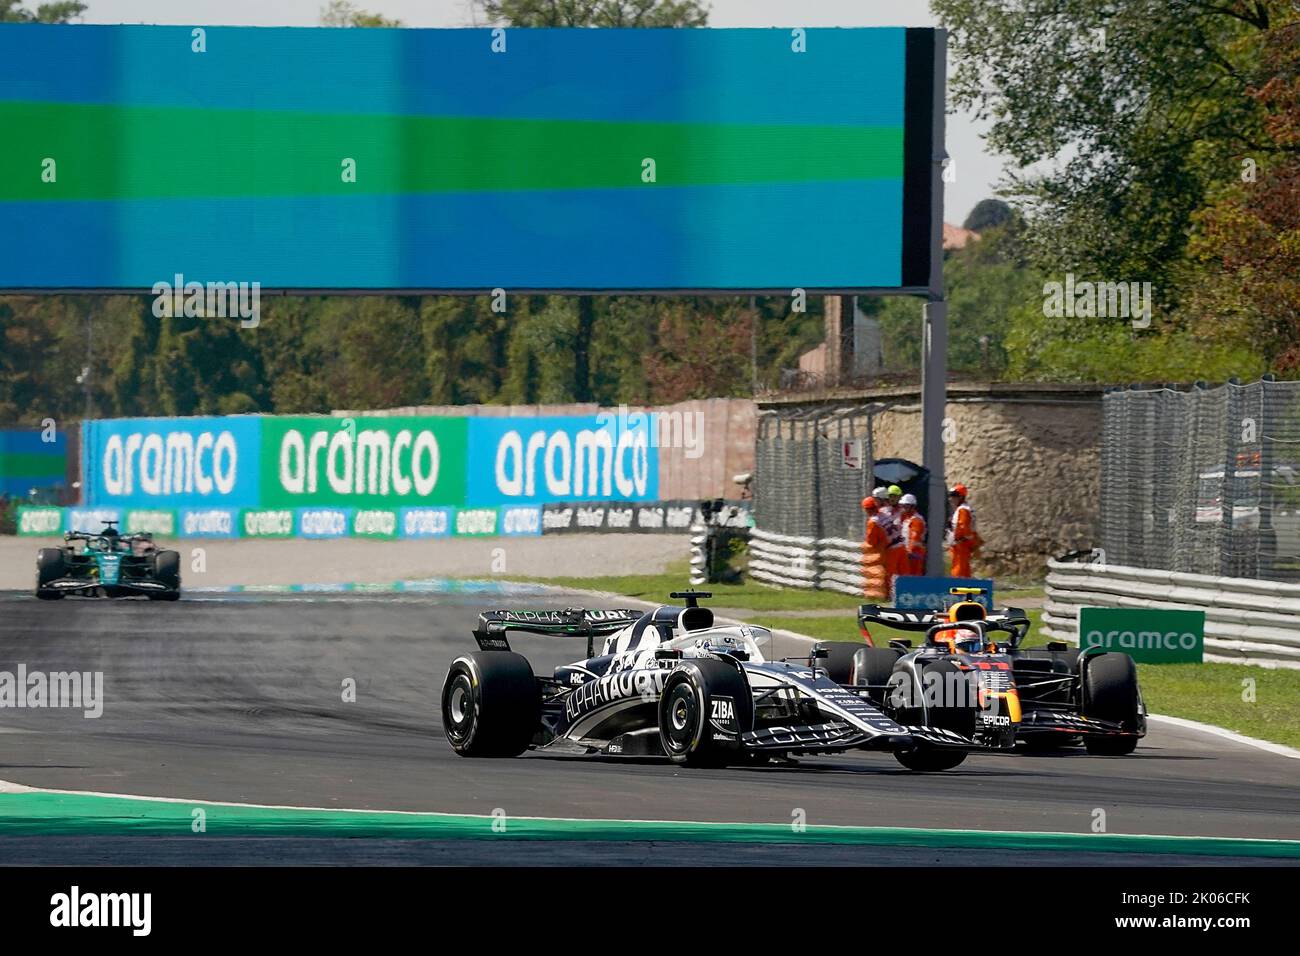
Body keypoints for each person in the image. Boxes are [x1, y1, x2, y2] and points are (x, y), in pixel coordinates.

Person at [946, 483, 982, 578]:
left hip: (960, 545)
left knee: (959, 571)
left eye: (954, 496)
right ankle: (964, 590)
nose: (951, 499)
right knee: (964, 571)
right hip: (962, 544)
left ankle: (957, 591)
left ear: (961, 497)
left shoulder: (963, 510)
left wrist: (957, 539)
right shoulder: (963, 509)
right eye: (950, 496)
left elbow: (963, 527)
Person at [860, 497, 890, 599]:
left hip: (883, 549)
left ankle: (884, 595)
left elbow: (871, 541)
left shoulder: (873, 522)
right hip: (896, 545)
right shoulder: (884, 514)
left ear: (867, 509)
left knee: (882, 574)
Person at [898, 493, 927, 576]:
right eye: (902, 506)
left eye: (905, 506)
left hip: (914, 555)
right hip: (908, 554)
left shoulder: (916, 520)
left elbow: (915, 539)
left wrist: (909, 552)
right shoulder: (907, 519)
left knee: (914, 576)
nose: (903, 508)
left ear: (912, 506)